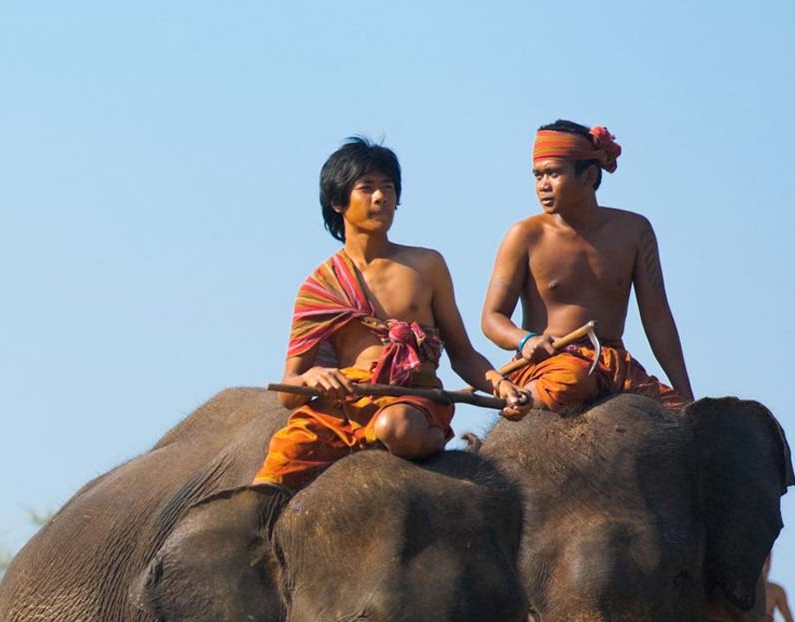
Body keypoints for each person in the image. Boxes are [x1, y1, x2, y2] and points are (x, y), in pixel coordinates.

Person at [256, 139, 531, 492]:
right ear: (338, 201)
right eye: (366, 188)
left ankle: (436, 437)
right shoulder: (319, 286)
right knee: (274, 471)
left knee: (394, 428)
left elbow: (462, 355)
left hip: (413, 401)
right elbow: (288, 391)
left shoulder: (427, 265)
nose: (380, 197)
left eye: (388, 188)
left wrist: (502, 386)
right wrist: (316, 377)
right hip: (345, 409)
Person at [481, 122, 692, 415]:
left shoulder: (635, 231)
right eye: (538, 175)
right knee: (575, 379)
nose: (543, 185)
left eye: (554, 173)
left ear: (589, 175)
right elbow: (492, 318)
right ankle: (525, 399)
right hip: (553, 365)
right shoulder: (524, 235)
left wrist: (686, 394)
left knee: (681, 421)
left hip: (615, 366)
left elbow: (657, 317)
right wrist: (526, 340)